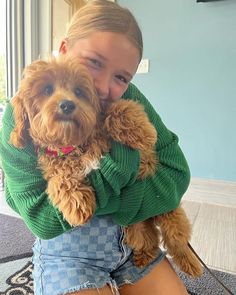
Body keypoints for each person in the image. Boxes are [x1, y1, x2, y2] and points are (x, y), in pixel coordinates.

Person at [0, 1, 191, 294]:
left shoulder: (129, 102)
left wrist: (118, 203)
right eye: (94, 62)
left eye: (121, 77)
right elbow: (43, 220)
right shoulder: (26, 108)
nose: (102, 87)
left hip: (132, 244)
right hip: (67, 252)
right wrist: (117, 174)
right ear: (64, 49)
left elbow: (176, 174)